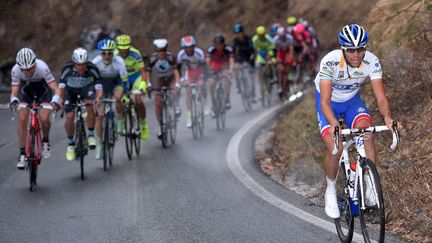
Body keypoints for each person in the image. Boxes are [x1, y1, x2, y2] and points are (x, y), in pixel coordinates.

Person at [315, 24, 401, 218]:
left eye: (360, 49)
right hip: (329, 104)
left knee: (367, 133)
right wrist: (334, 123)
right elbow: (324, 101)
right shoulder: (330, 61)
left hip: (352, 102)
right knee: (335, 147)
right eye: (351, 50)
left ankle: (370, 185)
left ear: (365, 48)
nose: (356, 55)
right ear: (343, 49)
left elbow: (381, 97)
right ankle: (329, 190)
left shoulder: (371, 61)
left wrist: (388, 117)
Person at [9, 48, 60, 169]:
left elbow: (55, 88)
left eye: (30, 68)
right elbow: (15, 90)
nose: (27, 72)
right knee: (22, 118)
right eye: (24, 70)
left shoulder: (42, 67)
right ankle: (22, 153)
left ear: (35, 64)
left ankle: (45, 140)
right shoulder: (16, 70)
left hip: (43, 90)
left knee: (44, 118)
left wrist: (55, 101)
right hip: (26, 91)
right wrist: (14, 100)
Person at [59, 47, 103, 161]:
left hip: (86, 90)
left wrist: (98, 98)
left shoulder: (93, 69)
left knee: (91, 104)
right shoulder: (67, 69)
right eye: (78, 64)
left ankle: (91, 135)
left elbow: (99, 88)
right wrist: (60, 100)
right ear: (74, 63)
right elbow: (61, 88)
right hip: (70, 92)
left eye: (84, 64)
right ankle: (70, 144)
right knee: (70, 116)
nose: (81, 67)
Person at [92, 39, 128, 159]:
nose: (106, 56)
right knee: (99, 116)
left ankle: (118, 118)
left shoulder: (119, 62)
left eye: (109, 53)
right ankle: (99, 144)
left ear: (114, 53)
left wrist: (125, 94)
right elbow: (91, 82)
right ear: (100, 53)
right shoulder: (95, 62)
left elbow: (124, 81)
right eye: (104, 53)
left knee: (118, 97)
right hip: (101, 85)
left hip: (115, 82)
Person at [115, 34, 150, 140]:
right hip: (122, 78)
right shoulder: (114, 55)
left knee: (138, 100)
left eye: (126, 49)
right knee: (119, 99)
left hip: (135, 77)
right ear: (118, 47)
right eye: (121, 49)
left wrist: (143, 84)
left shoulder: (135, 53)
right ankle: (121, 119)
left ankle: (143, 125)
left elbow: (143, 72)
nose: (124, 52)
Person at [148, 38, 181, 137]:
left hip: (170, 77)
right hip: (160, 79)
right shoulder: (153, 59)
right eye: (159, 51)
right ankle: (160, 126)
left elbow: (175, 71)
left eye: (163, 50)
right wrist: (149, 83)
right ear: (156, 51)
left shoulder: (170, 57)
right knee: (157, 102)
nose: (161, 53)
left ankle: (176, 106)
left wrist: (177, 82)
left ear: (166, 50)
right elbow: (148, 72)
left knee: (174, 90)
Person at [177, 35, 206, 128]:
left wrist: (203, 78)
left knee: (202, 86)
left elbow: (205, 68)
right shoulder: (181, 55)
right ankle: (189, 117)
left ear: (194, 46)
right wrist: (182, 80)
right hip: (188, 72)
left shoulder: (199, 53)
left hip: (199, 71)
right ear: (183, 48)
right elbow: (178, 69)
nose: (189, 49)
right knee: (188, 92)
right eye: (186, 47)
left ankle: (204, 105)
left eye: (191, 47)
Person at [206, 33, 234, 115]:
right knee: (211, 83)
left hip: (224, 65)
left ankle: (227, 98)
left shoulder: (228, 49)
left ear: (223, 43)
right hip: (214, 66)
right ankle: (213, 101)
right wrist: (209, 69)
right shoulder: (211, 49)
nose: (218, 46)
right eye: (216, 44)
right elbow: (207, 60)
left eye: (220, 44)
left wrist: (230, 70)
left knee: (226, 79)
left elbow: (231, 60)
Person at [231, 24, 257, 103]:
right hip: (241, 57)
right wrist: (235, 63)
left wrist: (251, 59)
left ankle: (253, 93)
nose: (237, 35)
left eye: (238, 33)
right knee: (236, 68)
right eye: (235, 33)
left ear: (242, 32)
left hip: (250, 56)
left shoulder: (248, 39)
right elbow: (233, 53)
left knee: (251, 75)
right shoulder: (235, 42)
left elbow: (253, 50)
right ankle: (238, 85)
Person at [252, 26, 275, 95]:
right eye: (259, 35)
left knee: (270, 63)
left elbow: (272, 49)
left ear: (265, 34)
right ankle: (262, 82)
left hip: (269, 53)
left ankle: (271, 77)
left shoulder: (269, 39)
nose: (261, 37)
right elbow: (255, 49)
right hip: (261, 54)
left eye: (262, 35)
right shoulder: (254, 39)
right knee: (259, 67)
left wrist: (269, 56)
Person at [272, 26, 295, 96]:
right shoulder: (275, 40)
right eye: (280, 36)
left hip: (287, 52)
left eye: (283, 36)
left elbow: (291, 49)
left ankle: (289, 76)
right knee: (280, 69)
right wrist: (276, 60)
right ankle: (279, 85)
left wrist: (291, 56)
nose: (282, 38)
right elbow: (274, 51)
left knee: (288, 64)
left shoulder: (289, 38)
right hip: (280, 52)